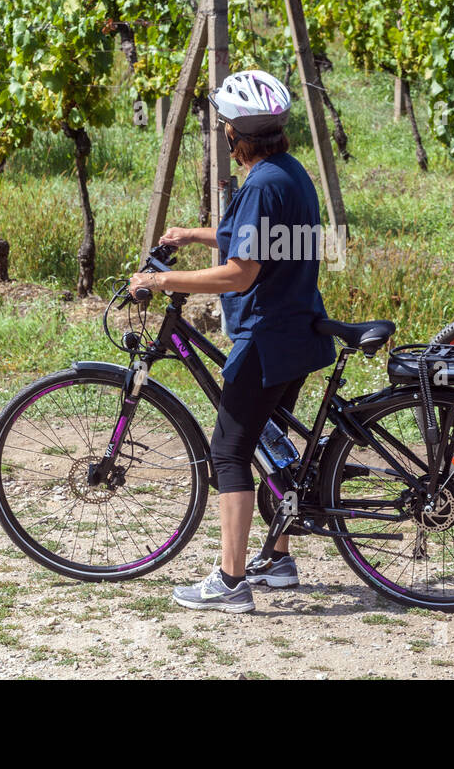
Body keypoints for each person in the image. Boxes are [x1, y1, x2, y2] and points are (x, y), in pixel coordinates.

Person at [129, 69, 336, 610]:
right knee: (273, 450)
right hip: (297, 331)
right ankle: (279, 557)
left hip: (266, 338)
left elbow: (240, 273)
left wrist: (160, 279)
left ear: (234, 136)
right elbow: (263, 235)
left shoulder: (261, 184)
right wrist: (195, 234)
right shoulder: (288, 173)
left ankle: (230, 581)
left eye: (223, 127)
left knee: (229, 450)